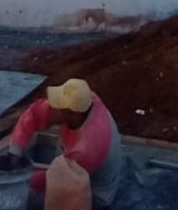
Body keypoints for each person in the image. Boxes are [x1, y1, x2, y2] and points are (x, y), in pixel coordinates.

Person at [10, 77, 135, 209]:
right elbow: (35, 114)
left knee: (25, 200)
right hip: (69, 166)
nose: (54, 108)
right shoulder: (85, 100)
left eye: (59, 107)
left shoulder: (87, 148)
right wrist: (15, 150)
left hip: (91, 193)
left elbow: (59, 181)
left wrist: (22, 181)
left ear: (73, 115)